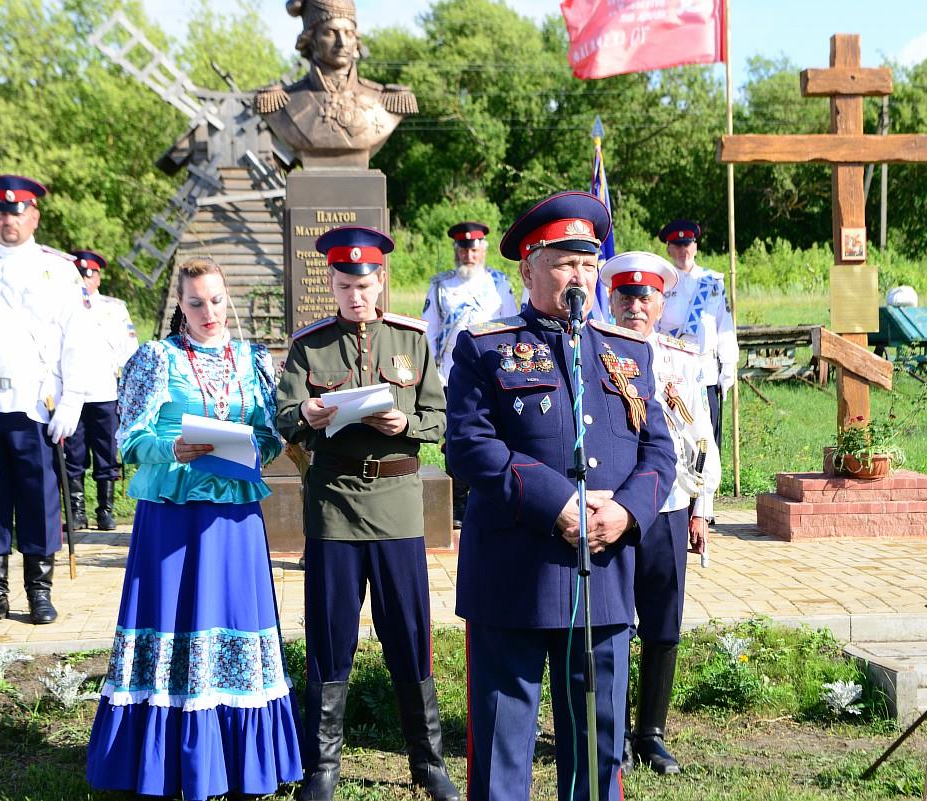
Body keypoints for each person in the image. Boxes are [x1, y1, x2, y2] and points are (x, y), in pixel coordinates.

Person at [446, 192, 676, 801]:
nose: (578, 276)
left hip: (600, 573)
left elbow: (659, 452)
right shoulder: (484, 347)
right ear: (527, 269)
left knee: (597, 746)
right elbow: (470, 446)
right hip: (514, 576)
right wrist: (560, 505)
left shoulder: (626, 351)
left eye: (587, 263)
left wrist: (625, 512)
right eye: (563, 262)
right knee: (502, 745)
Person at [86, 257, 302, 799]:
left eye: (216, 299)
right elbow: (128, 439)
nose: (209, 311)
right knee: (173, 627)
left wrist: (256, 445)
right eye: (196, 302)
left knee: (234, 620)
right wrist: (173, 448)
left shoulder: (254, 360)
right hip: (172, 517)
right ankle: (164, 763)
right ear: (179, 306)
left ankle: (239, 765)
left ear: (229, 298)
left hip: (234, 518)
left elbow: (272, 434)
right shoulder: (156, 360)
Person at [275, 226, 458, 801]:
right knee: (330, 638)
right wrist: (304, 411)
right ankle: (322, 767)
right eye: (344, 283)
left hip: (397, 507)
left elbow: (440, 418)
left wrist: (407, 424)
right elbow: (281, 419)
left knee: (408, 632)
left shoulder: (411, 340)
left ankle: (427, 763)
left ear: (380, 281)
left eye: (365, 282)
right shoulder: (309, 346)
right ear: (330, 283)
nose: (356, 293)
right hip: (333, 507)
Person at [0, 175, 91, 629]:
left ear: (33, 217)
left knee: (38, 497)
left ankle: (39, 592)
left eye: (15, 213)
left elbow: (77, 340)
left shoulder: (59, 268)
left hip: (36, 400)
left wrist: (72, 402)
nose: (7, 221)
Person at [602, 252, 722, 775]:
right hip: (613, 508)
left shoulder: (684, 358)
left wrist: (702, 509)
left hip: (670, 506)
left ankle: (651, 732)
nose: (635, 305)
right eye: (625, 296)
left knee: (663, 622)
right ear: (611, 300)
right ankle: (612, 735)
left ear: (660, 303)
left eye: (645, 296)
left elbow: (701, 440)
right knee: (609, 622)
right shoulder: (596, 352)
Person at [421, 221, 518, 526]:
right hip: (452, 376)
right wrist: (432, 377)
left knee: (494, 436)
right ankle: (459, 503)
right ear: (456, 251)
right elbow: (429, 332)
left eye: (474, 249)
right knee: (456, 440)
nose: (469, 254)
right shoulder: (440, 285)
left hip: (491, 375)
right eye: (463, 249)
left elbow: (511, 327)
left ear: (483, 250)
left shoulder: (499, 283)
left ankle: (489, 494)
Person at [255, 0, 417, 166]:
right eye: (331, 32)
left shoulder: (385, 102)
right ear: (311, 39)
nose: (342, 42)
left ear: (356, 41)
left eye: (349, 33)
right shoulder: (281, 104)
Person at [63, 249, 138, 531]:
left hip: (104, 391)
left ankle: (105, 510)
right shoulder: (61, 305)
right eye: (80, 274)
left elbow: (128, 351)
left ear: (99, 277)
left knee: (107, 453)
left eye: (90, 274)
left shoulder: (113, 308)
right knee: (74, 454)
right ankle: (76, 511)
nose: (85, 279)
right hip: (72, 394)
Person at [655, 220, 737, 462]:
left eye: (687, 244)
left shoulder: (712, 282)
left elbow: (725, 327)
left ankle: (705, 493)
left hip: (706, 371)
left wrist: (729, 367)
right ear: (669, 249)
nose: (683, 251)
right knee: (675, 433)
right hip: (673, 372)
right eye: (677, 246)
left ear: (696, 247)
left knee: (707, 436)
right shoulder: (662, 283)